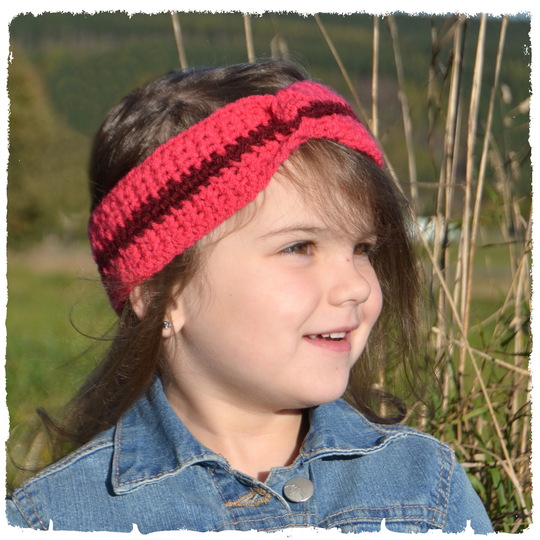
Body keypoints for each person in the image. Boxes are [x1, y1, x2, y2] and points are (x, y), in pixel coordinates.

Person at [6, 60, 493, 534]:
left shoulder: (424, 490)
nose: (357, 286)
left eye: (362, 249)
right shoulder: (59, 519)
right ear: (158, 292)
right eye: (299, 247)